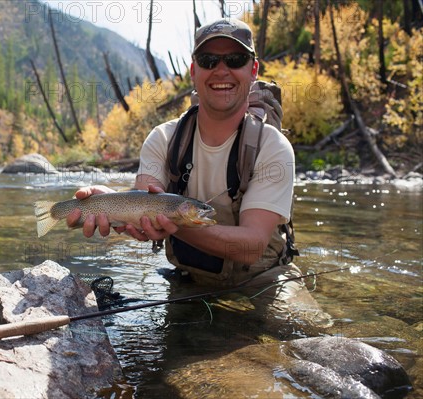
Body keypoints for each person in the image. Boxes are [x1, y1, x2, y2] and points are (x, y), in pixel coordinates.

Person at [67, 18, 332, 334]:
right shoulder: (163, 140)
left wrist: (173, 226)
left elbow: (252, 246)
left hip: (263, 277)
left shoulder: (271, 147)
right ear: (194, 71)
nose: (221, 70)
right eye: (209, 60)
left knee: (309, 332)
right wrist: (109, 206)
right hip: (189, 279)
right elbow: (145, 202)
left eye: (234, 60)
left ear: (254, 70)